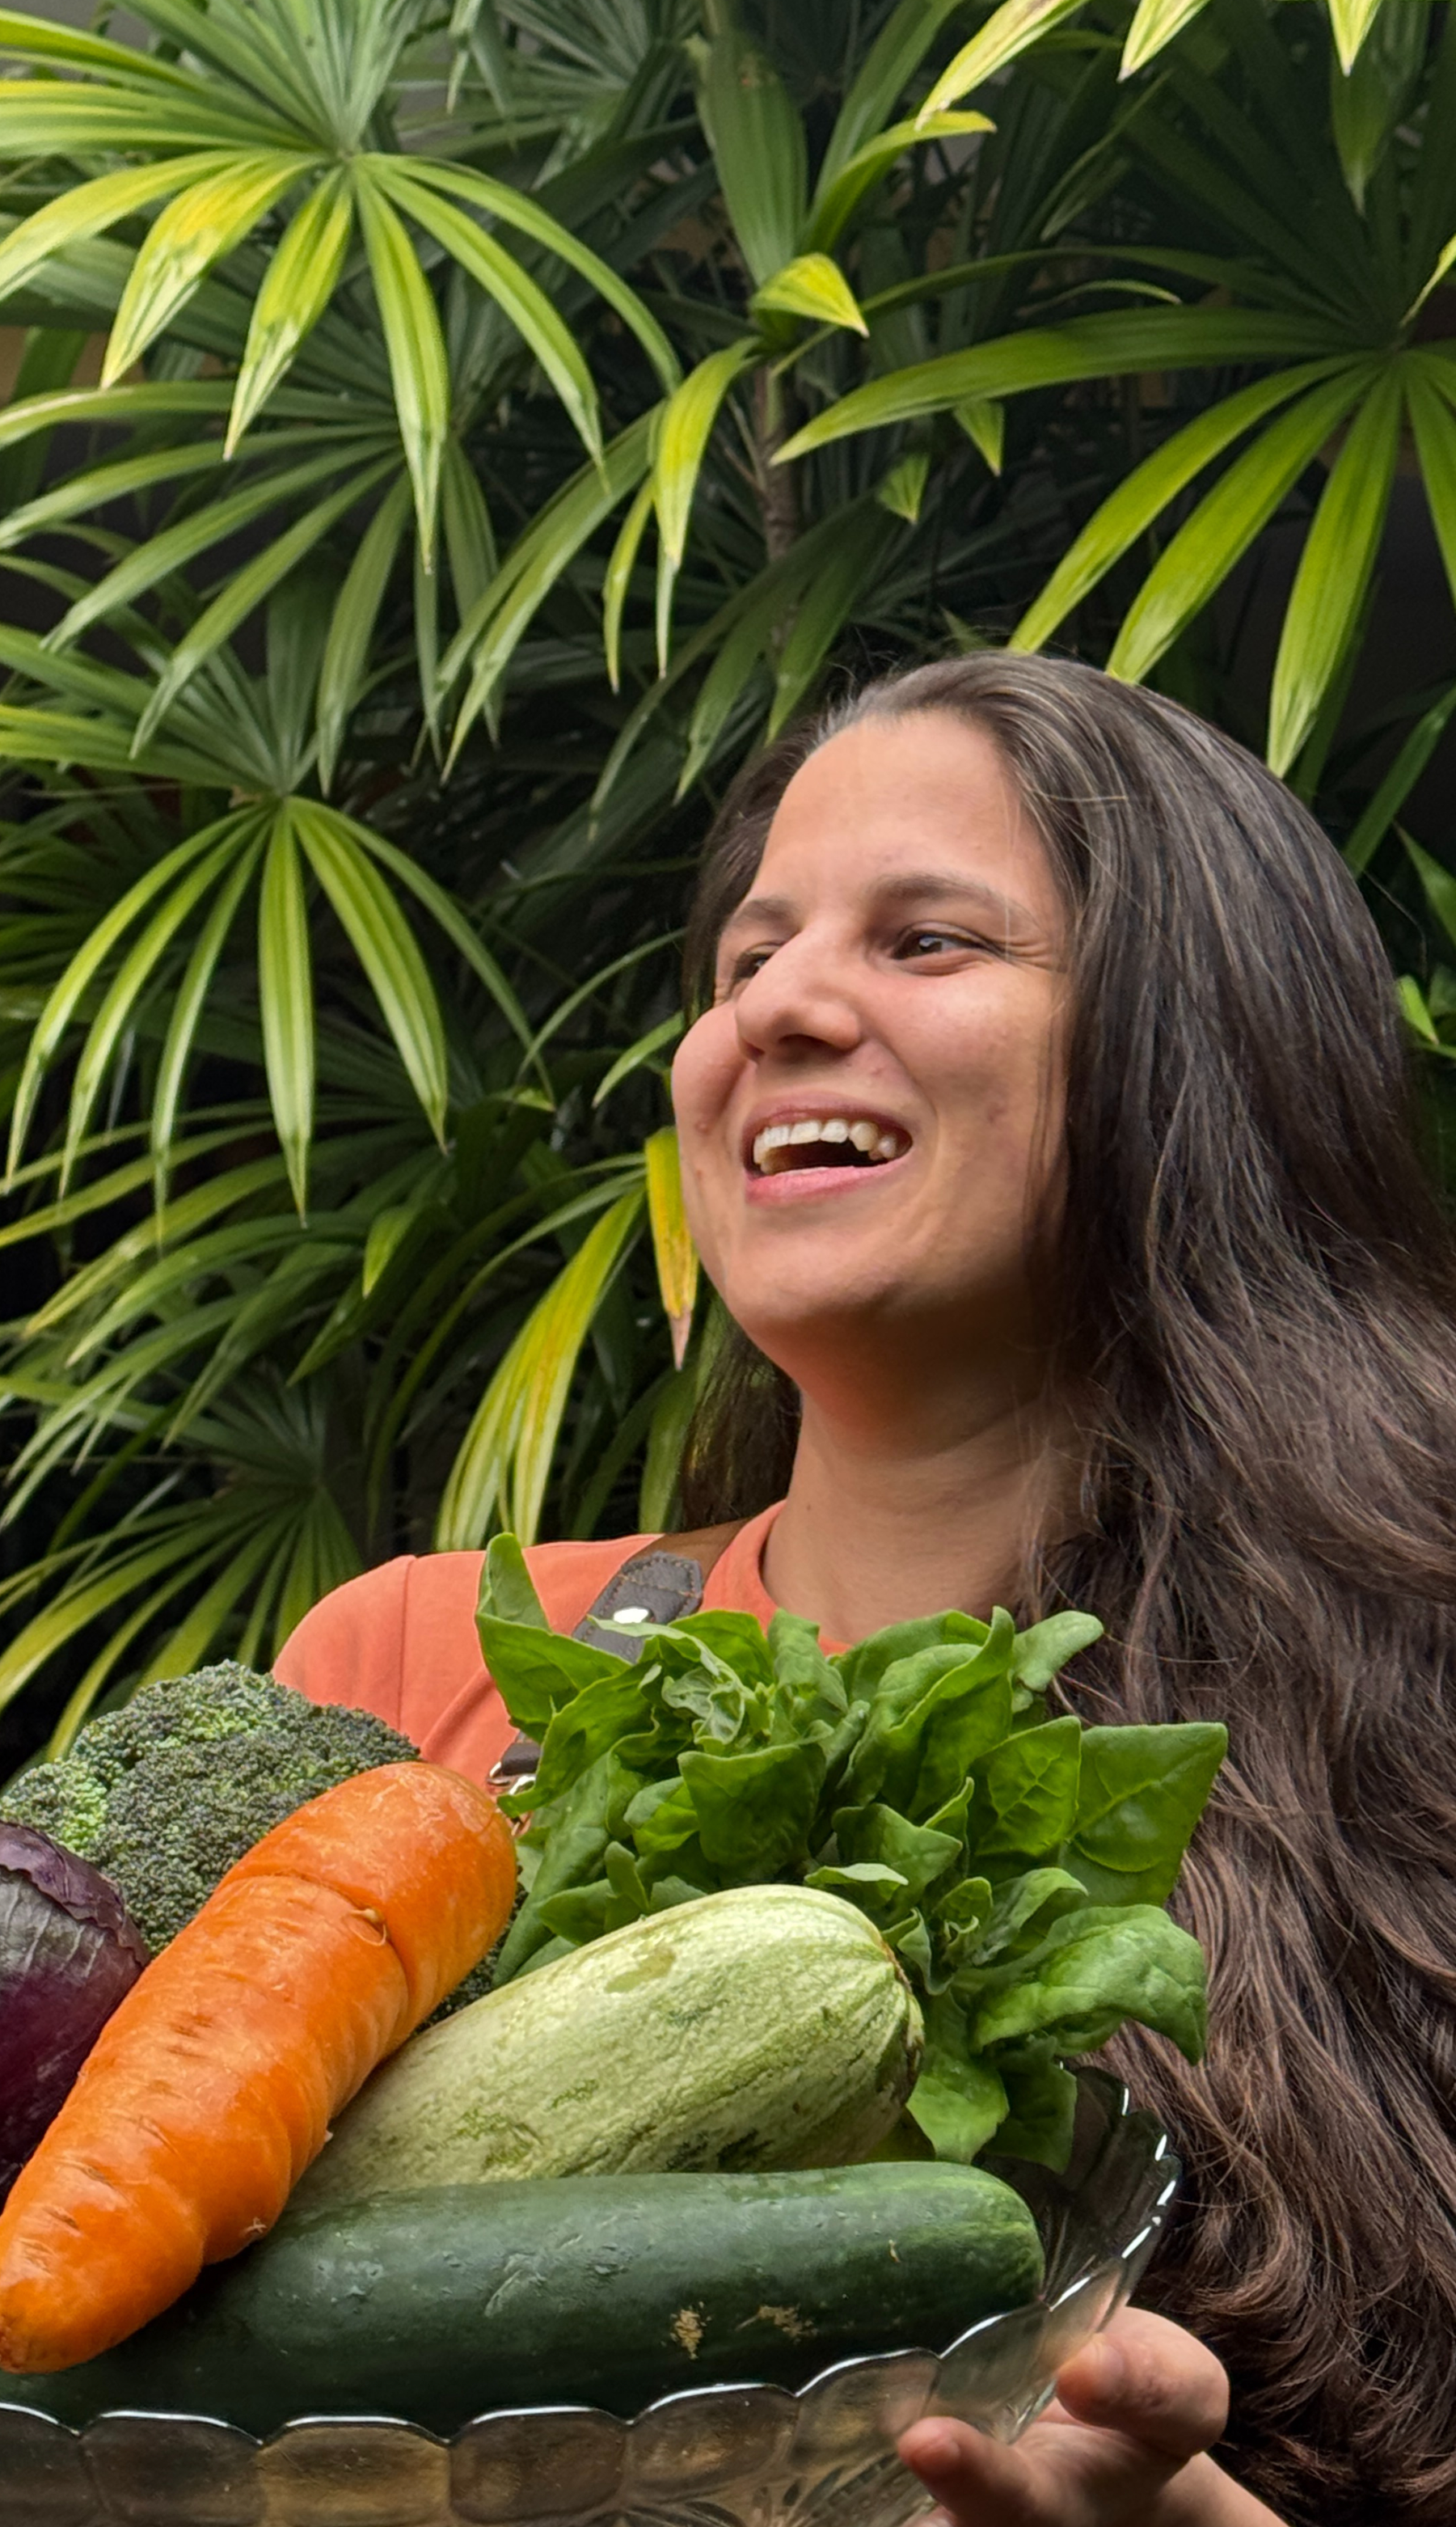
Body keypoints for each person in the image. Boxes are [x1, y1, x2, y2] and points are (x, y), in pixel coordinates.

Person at [275, 653, 1456, 2527]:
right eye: (744, 960)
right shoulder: (402, 1664)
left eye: (922, 940)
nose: (776, 1010)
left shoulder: (1421, 1738)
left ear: (1186, 1042)